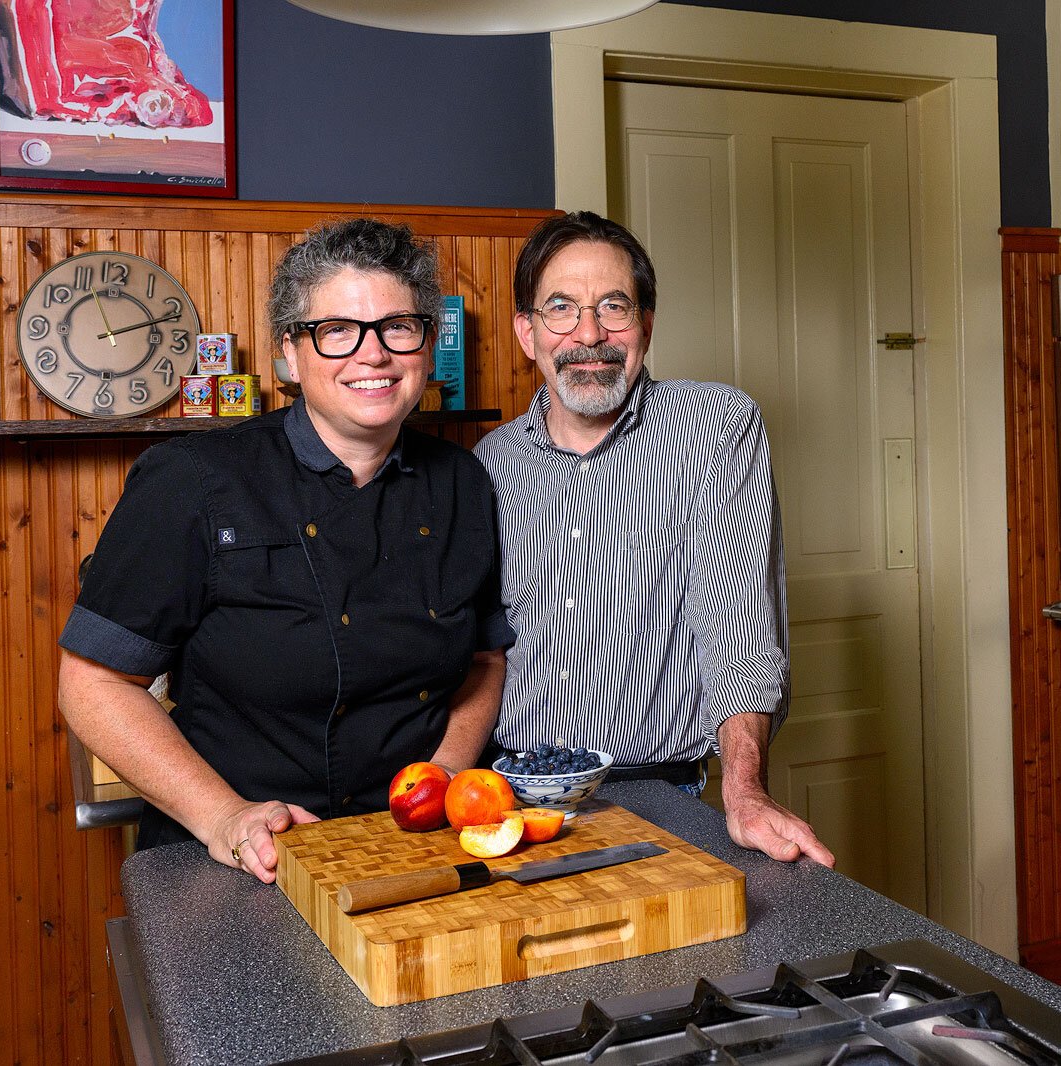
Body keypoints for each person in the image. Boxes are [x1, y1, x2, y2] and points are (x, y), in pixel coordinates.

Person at [58, 218, 511, 883]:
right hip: (238, 863)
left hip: (415, 852)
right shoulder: (194, 479)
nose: (374, 354)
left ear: (425, 343)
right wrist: (223, 817)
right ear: (289, 356)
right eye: (336, 331)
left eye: (398, 326)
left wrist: (442, 775)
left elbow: (483, 658)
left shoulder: (462, 482)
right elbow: (93, 684)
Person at [474, 211, 834, 867]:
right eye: (561, 310)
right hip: (505, 804)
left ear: (645, 325)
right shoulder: (485, 466)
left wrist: (745, 788)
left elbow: (737, 623)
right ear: (528, 334)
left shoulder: (715, 428)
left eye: (614, 307)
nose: (589, 334)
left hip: (660, 802)